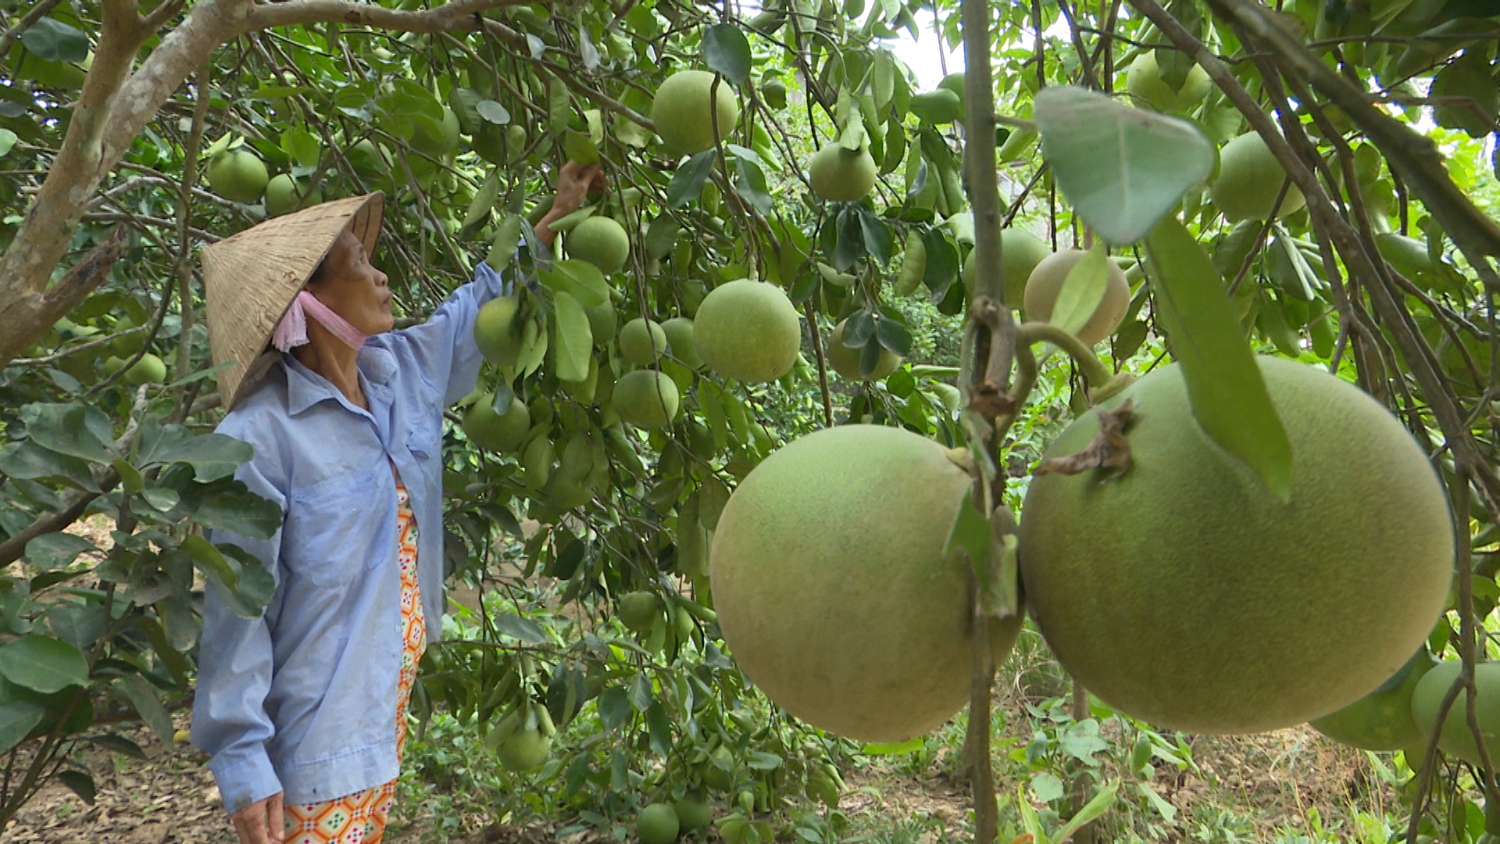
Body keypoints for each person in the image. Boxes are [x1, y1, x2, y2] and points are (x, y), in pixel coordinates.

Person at [193, 161, 603, 844]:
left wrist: (556, 216)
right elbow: (239, 607)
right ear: (306, 299)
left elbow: (482, 312)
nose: (381, 276)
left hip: (378, 714)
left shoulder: (398, 373)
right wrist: (242, 756)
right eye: (357, 264)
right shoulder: (258, 438)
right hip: (314, 740)